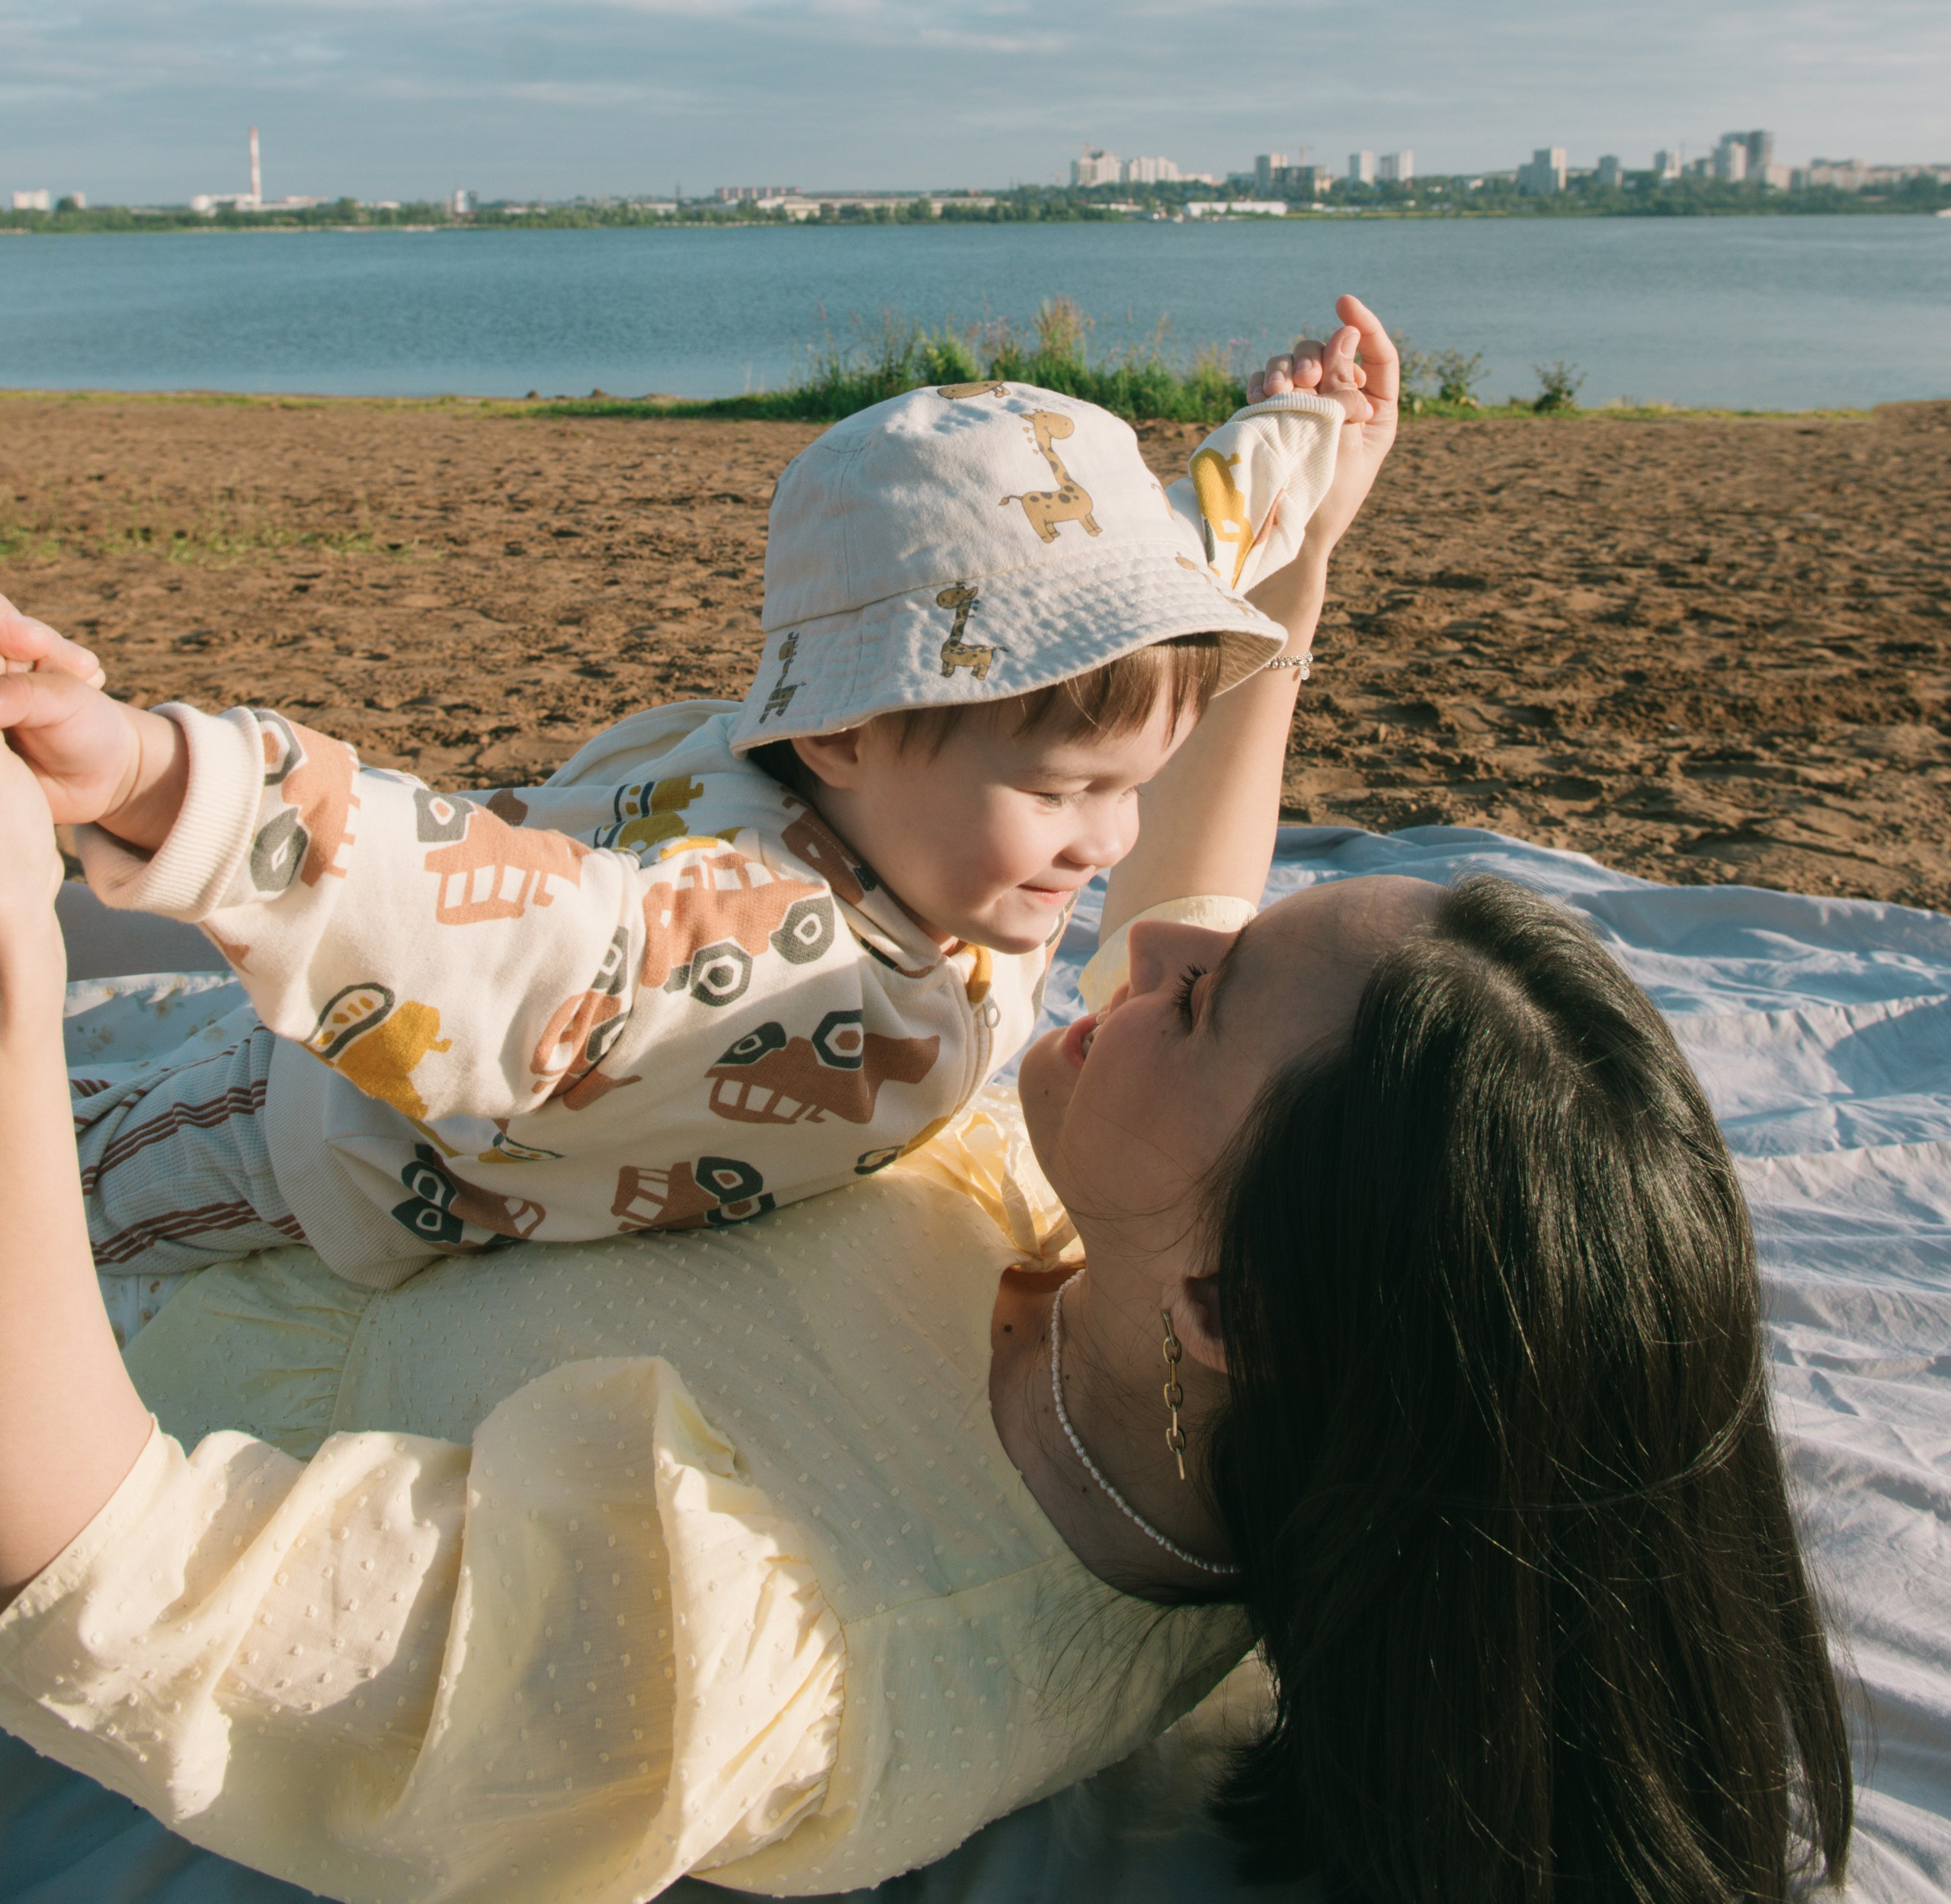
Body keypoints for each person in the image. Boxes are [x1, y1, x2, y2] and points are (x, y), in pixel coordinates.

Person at [0, 306, 1852, 1904]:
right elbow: (1182, 828)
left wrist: (36, 927)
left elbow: (121, 1592)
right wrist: (1285, 563)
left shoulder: (794, 1635)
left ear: (1237, 1306)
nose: (1139, 935)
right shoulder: (1181, 1291)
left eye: (1197, 1002)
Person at [2, 335, 1365, 1291]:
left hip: (468, 1042)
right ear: (843, 729)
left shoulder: (937, 807)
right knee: (65, 1189)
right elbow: (446, 914)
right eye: (1066, 794)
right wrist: (143, 773)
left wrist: (1308, 442)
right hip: (329, 1134)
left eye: (1134, 785)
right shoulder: (733, 950)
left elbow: (1190, 542)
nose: (1112, 842)